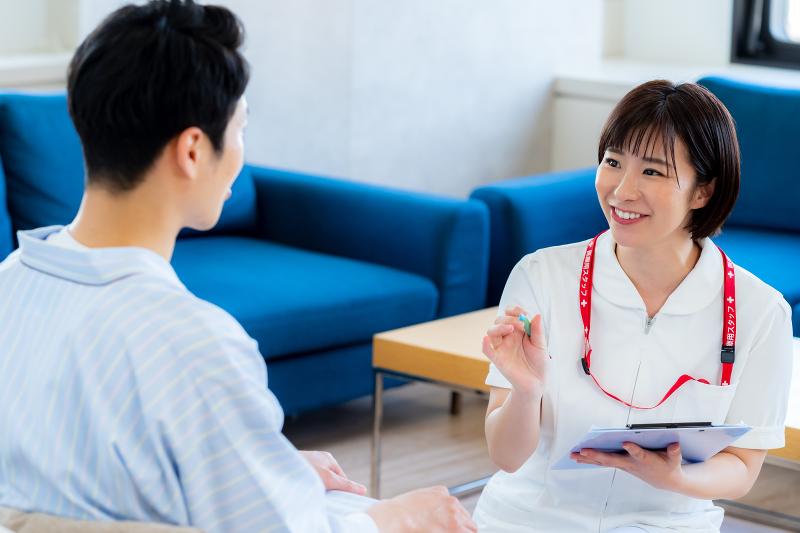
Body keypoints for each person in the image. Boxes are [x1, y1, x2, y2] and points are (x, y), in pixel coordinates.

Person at [0, 1, 476, 532]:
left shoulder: (11, 281)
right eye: (240, 127)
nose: (242, 151)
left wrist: (265, 467)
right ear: (193, 150)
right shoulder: (196, 344)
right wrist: (397, 520)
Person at [472, 80, 794, 532]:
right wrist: (526, 393)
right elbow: (505, 457)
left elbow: (742, 467)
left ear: (702, 192)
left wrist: (677, 476)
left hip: (663, 524)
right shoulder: (541, 276)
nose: (622, 191)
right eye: (613, 162)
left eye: (653, 172)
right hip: (529, 519)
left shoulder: (761, 313)